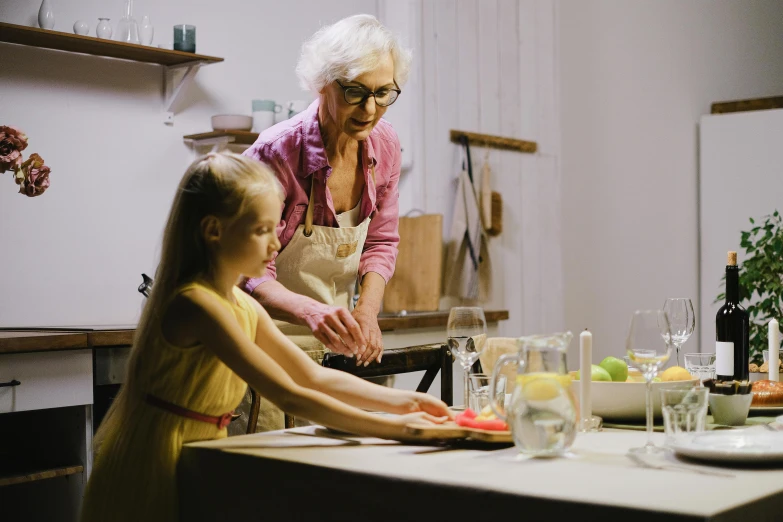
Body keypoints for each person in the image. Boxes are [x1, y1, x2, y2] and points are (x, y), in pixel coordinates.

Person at [80, 153, 450, 522]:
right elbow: (290, 394)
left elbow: (313, 376)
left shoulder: (241, 303)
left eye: (276, 228)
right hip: (157, 460)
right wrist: (399, 429)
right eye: (262, 231)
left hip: (201, 455)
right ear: (213, 230)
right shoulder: (197, 305)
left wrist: (406, 402)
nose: (276, 245)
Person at [240, 14, 409, 431]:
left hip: (331, 350)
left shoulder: (385, 146)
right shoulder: (276, 154)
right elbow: (247, 270)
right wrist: (313, 312)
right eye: (355, 92)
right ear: (323, 84)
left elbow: (382, 241)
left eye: (383, 93)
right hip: (262, 345)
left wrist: (367, 312)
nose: (370, 109)